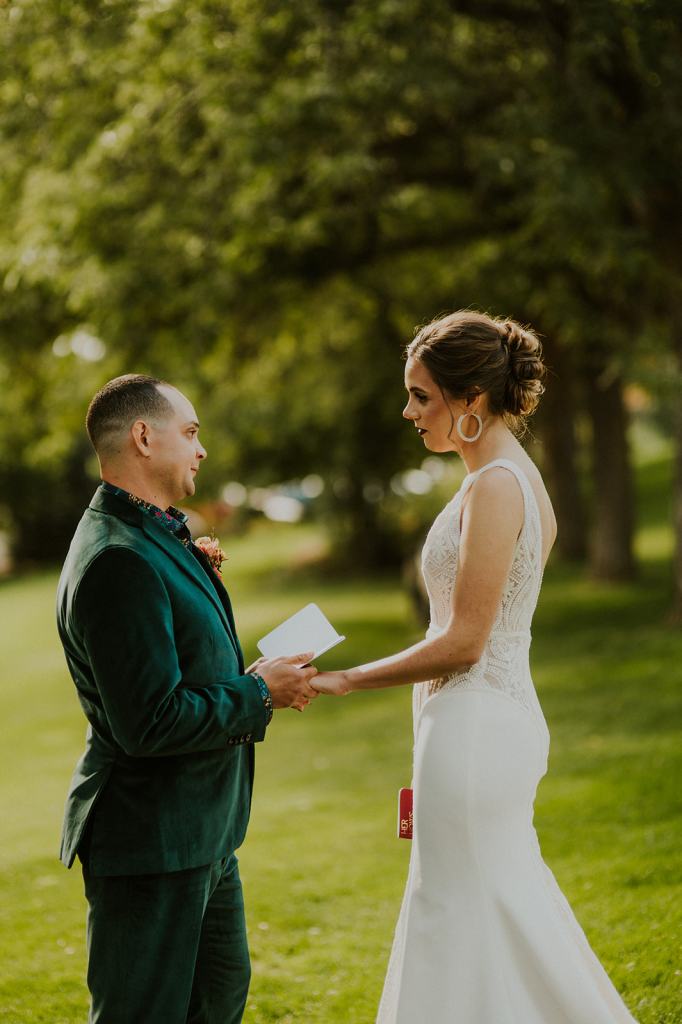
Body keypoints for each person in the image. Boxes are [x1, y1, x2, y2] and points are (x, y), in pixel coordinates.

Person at [313, 311, 638, 1023]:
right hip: (476, 721)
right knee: (493, 909)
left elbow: (465, 641)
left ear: (472, 399)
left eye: (421, 396)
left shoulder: (496, 486)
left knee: (459, 911)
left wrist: (346, 678)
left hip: (476, 727)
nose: (409, 412)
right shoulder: (505, 480)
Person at [56, 374, 318, 1024]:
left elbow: (174, 672)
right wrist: (260, 693)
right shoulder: (118, 559)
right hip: (153, 841)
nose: (201, 449)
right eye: (191, 432)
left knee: (218, 1001)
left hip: (202, 833)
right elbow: (150, 721)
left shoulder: (151, 536)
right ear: (144, 437)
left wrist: (248, 678)